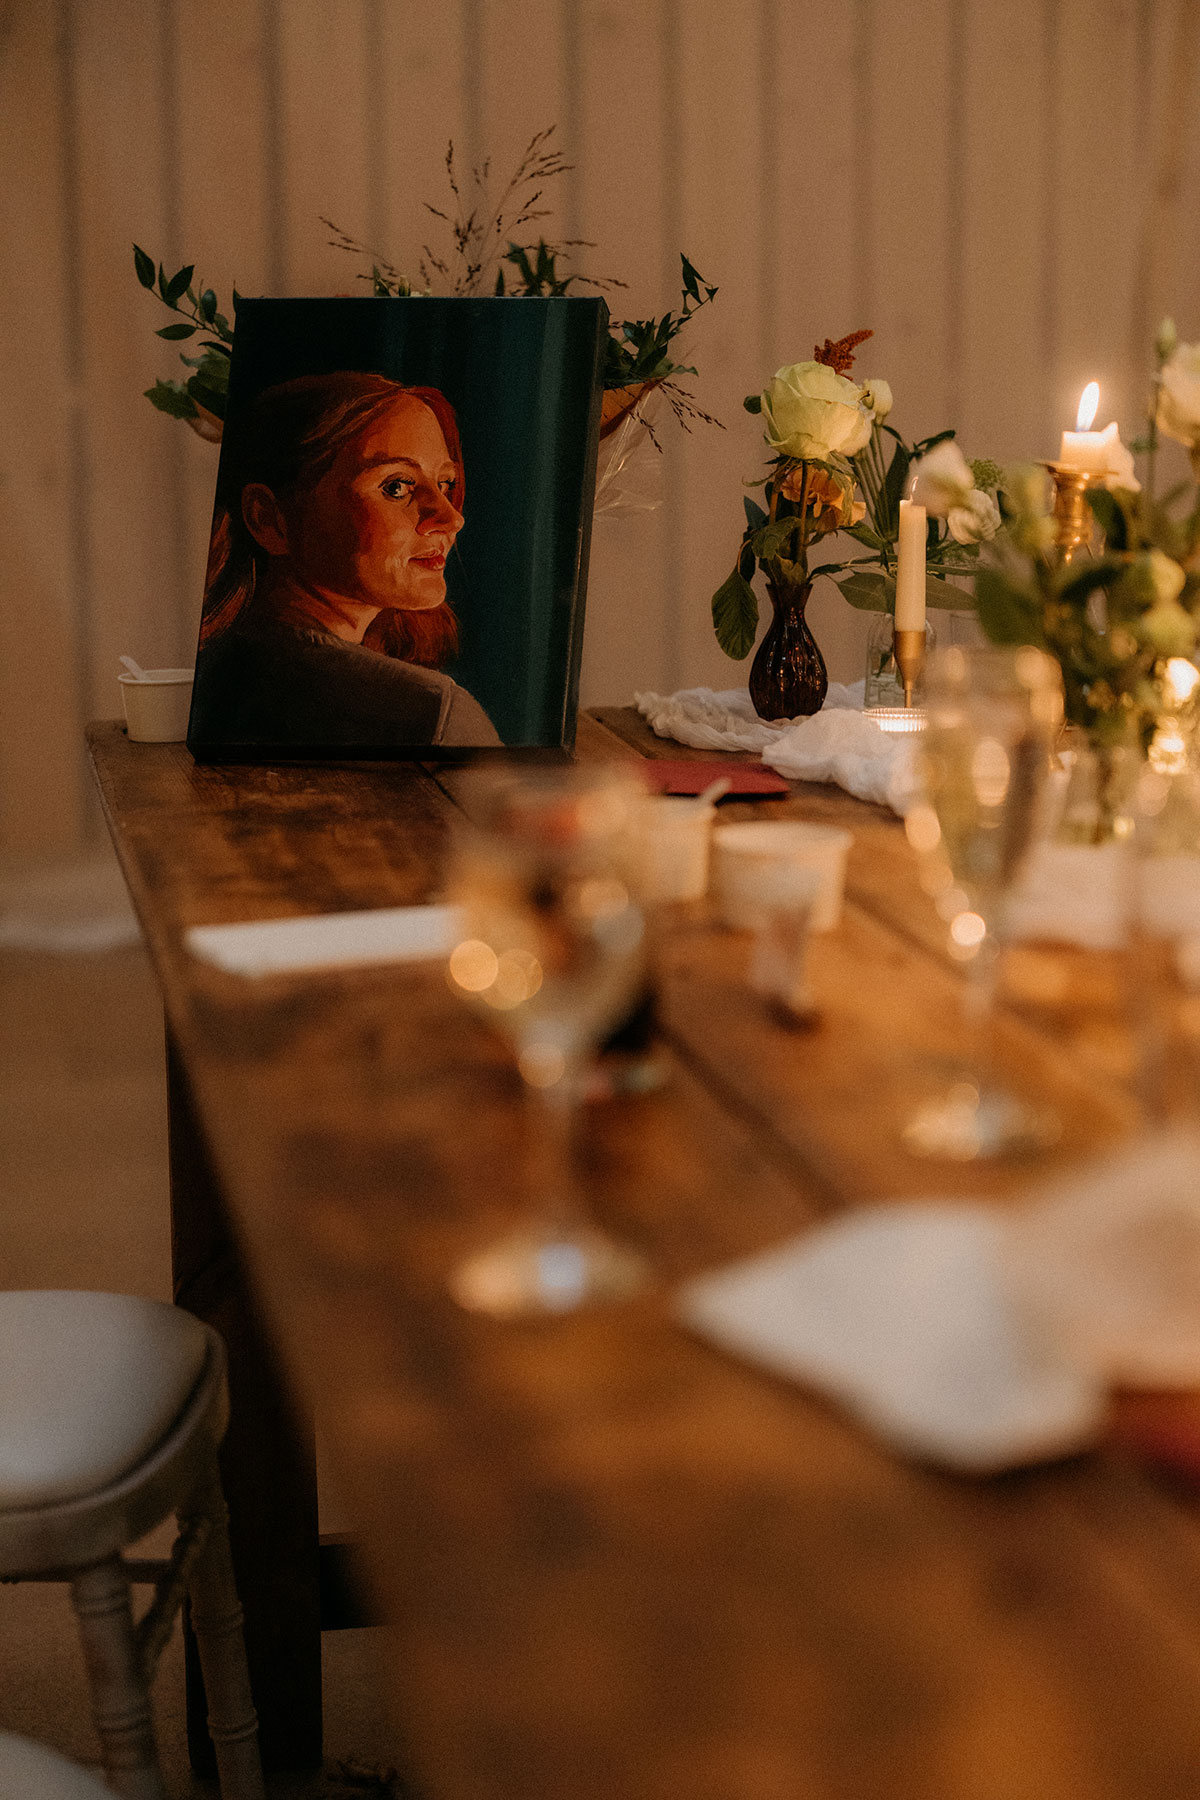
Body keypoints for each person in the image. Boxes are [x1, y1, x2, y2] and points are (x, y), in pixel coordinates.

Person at [189, 371, 502, 751]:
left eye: (444, 484)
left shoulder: (215, 672)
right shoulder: (433, 716)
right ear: (268, 518)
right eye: (396, 486)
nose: (452, 517)